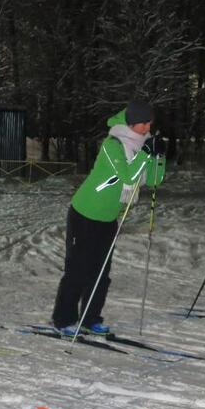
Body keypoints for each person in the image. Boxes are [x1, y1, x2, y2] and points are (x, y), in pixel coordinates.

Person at [51, 101, 166, 335]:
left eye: (149, 124)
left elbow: (154, 180)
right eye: (144, 124)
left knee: (101, 272)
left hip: (109, 218)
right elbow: (127, 177)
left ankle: (91, 318)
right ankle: (63, 319)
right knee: (78, 270)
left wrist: (159, 157)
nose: (147, 128)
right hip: (85, 213)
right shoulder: (112, 145)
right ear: (132, 123)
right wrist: (146, 154)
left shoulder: (140, 146)